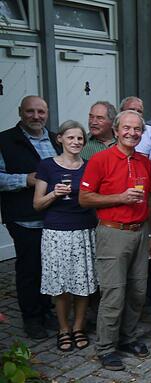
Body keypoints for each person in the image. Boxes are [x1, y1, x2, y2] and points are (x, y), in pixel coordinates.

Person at [79, 110, 151, 371]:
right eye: (127, 128)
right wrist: (119, 198)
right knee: (114, 292)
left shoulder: (144, 162)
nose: (132, 133)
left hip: (140, 231)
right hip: (113, 232)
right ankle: (106, 348)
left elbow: (150, 200)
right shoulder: (101, 159)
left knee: (137, 291)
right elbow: (85, 198)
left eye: (137, 129)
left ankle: (127, 338)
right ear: (117, 129)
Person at [32, 121, 97, 351]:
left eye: (80, 138)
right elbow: (37, 204)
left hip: (84, 230)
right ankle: (63, 328)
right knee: (60, 286)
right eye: (70, 138)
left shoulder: (89, 166)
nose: (76, 142)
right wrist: (54, 194)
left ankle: (79, 327)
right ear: (60, 139)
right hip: (56, 232)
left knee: (83, 284)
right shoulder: (47, 166)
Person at [0, 95, 60, 339]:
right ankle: (31, 317)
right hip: (24, 216)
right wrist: (26, 179)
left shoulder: (56, 139)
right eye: (30, 111)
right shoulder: (5, 140)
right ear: (20, 112)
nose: (36, 116)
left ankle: (47, 310)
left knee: (49, 268)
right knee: (29, 268)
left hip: (54, 217)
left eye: (41, 112)